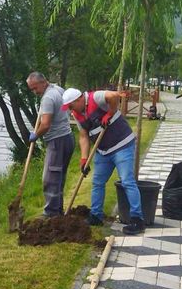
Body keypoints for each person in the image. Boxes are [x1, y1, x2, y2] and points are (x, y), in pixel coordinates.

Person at [61, 88, 145, 235]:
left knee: (126, 181)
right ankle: (96, 216)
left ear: (79, 100)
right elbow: (83, 136)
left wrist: (109, 113)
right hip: (103, 151)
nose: (69, 109)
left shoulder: (95, 98)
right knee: (97, 182)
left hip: (122, 145)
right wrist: (84, 159)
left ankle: (137, 219)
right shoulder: (77, 114)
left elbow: (114, 96)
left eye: (70, 106)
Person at [26, 72, 75, 217]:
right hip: (68, 138)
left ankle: (51, 212)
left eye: (35, 88)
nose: (35, 92)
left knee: (50, 178)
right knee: (59, 176)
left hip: (57, 141)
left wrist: (36, 135)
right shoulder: (58, 90)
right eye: (32, 89)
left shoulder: (47, 98)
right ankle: (57, 209)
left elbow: (46, 125)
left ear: (43, 82)